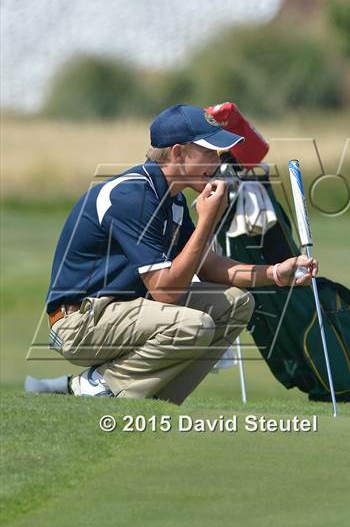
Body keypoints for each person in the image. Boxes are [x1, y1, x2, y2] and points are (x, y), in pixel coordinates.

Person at [25, 104, 317, 403]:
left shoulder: (172, 199)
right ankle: (96, 385)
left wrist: (274, 273)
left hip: (124, 310)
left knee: (236, 303)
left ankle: (159, 404)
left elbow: (207, 266)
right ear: (177, 153)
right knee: (194, 325)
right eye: (208, 152)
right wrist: (207, 220)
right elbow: (165, 291)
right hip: (80, 322)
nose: (216, 162)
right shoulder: (133, 195)